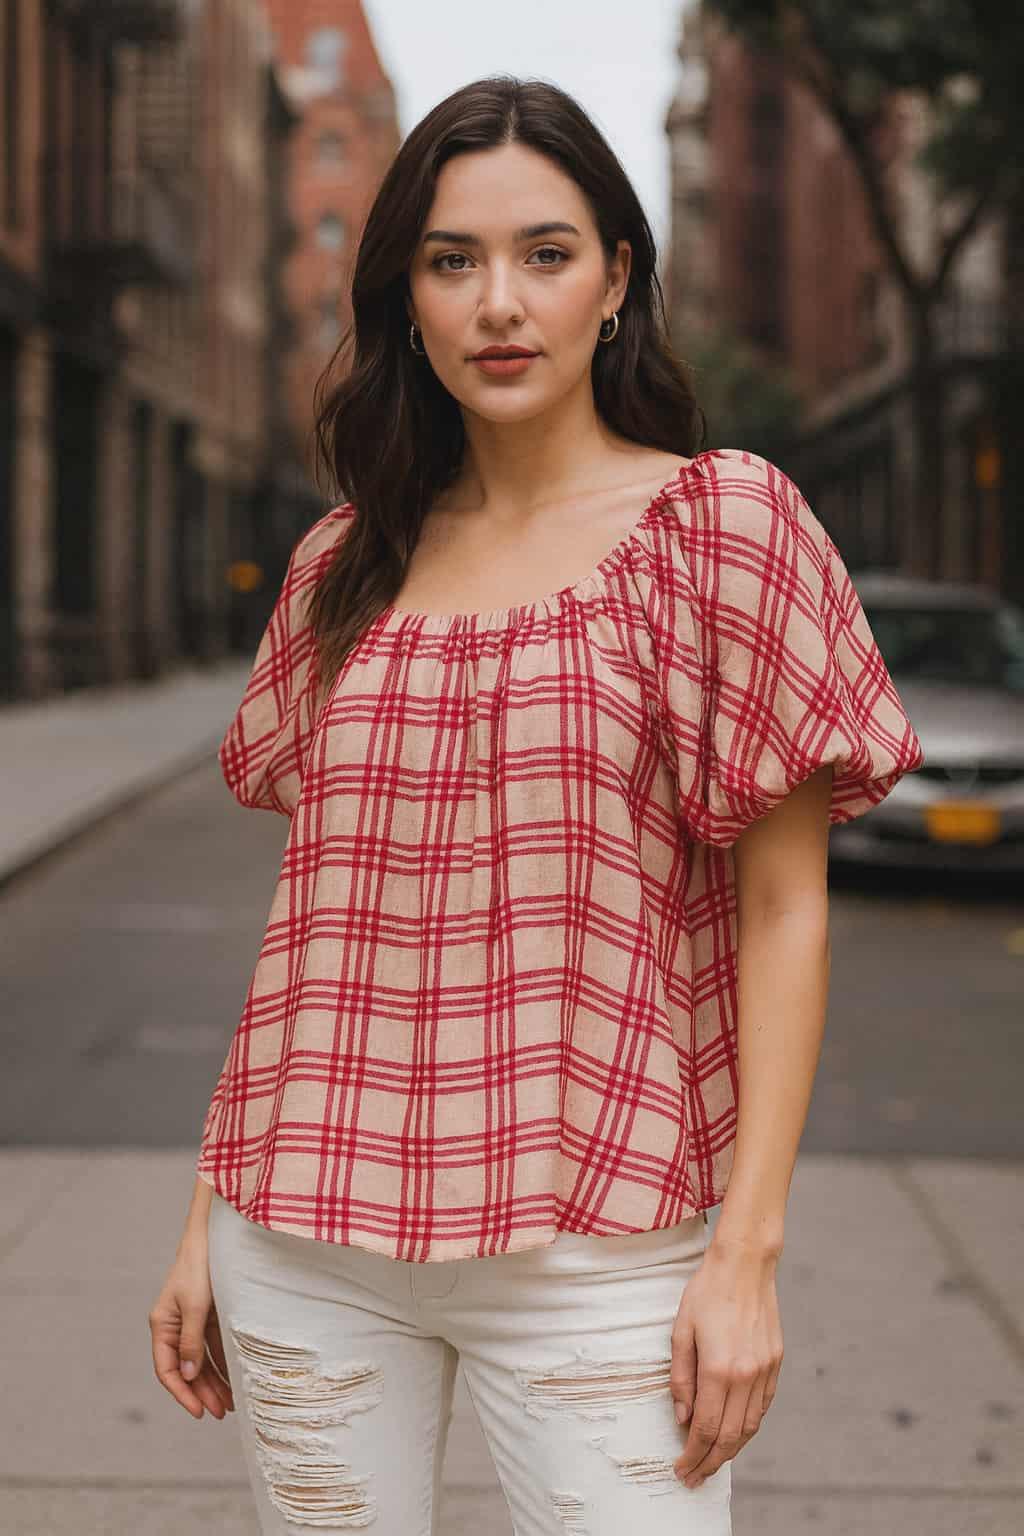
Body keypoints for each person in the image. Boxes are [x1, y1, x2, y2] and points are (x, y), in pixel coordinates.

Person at [148, 75, 924, 1535]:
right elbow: (318, 923)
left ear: (617, 281)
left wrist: (745, 1257)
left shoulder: (722, 528)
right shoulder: (343, 564)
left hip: (605, 1247)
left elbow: (783, 906)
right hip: (302, 1235)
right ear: (408, 298)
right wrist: (206, 1214)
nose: (499, 303)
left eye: (546, 254)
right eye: (453, 261)